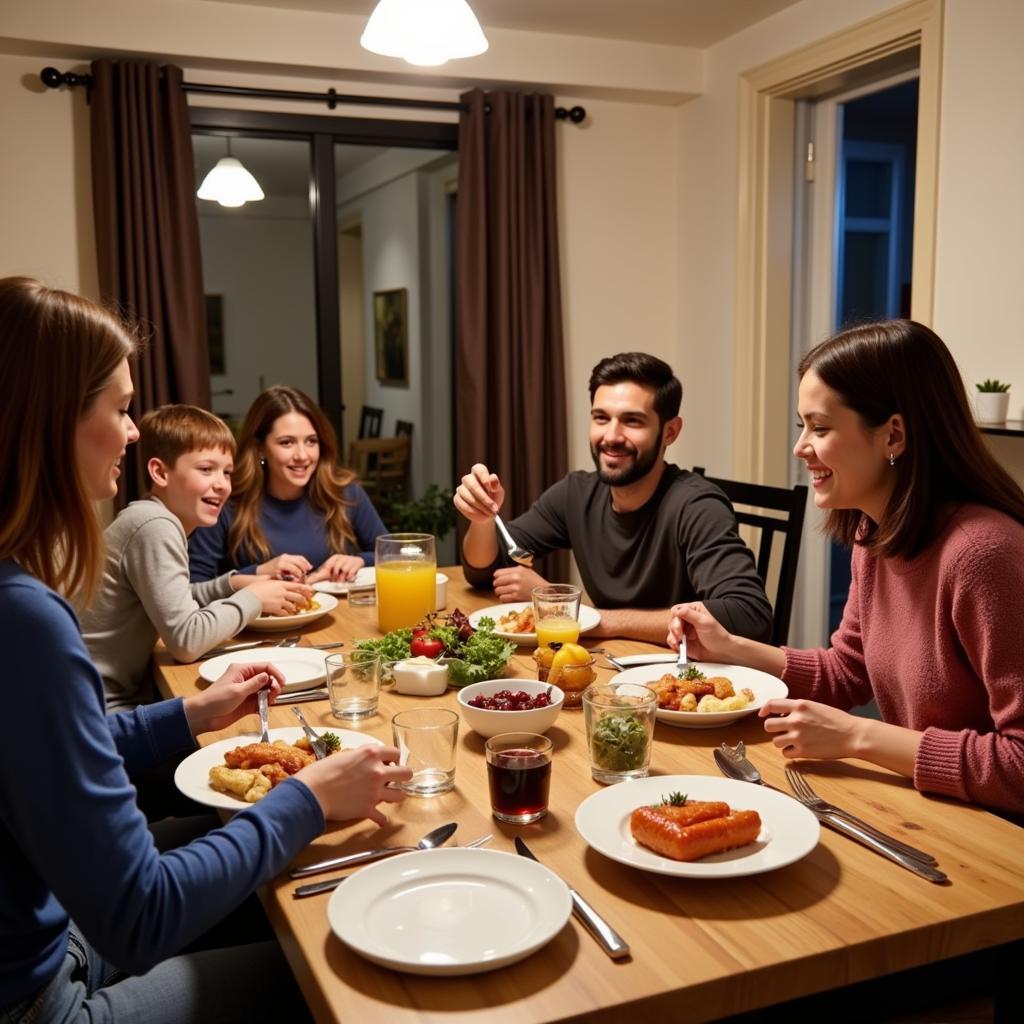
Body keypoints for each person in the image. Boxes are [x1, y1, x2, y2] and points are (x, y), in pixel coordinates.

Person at [0, 277, 412, 1021]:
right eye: (122, 409)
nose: (133, 432)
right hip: (40, 998)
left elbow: (59, 746)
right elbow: (142, 913)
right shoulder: (22, 619)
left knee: (311, 878)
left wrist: (190, 712)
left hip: (54, 927)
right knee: (350, 974)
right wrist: (305, 800)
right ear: (50, 417)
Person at [668, 320, 1024, 817]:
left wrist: (859, 735)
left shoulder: (984, 554)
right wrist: (731, 648)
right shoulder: (873, 535)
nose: (800, 448)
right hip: (928, 807)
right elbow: (847, 671)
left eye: (820, 427)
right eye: (802, 426)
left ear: (893, 435)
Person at [455, 352, 773, 644]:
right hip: (610, 666)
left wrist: (575, 612)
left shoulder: (697, 506)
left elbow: (747, 616)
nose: (611, 436)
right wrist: (482, 520)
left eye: (632, 421)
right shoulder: (576, 494)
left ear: (670, 432)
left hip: (681, 681)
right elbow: (485, 572)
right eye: (601, 418)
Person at [82, 404, 313, 712]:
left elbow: (174, 600)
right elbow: (186, 641)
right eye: (206, 469)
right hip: (101, 710)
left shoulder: (152, 518)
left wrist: (233, 583)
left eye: (227, 472)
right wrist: (252, 597)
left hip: (113, 698)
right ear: (160, 472)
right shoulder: (155, 526)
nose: (222, 484)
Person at [189, 385, 387, 584]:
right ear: (260, 449)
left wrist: (359, 560)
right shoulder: (224, 501)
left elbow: (393, 555)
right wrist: (260, 571)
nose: (302, 456)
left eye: (311, 441)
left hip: (341, 614)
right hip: (259, 615)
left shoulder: (345, 492)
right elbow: (196, 587)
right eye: (287, 442)